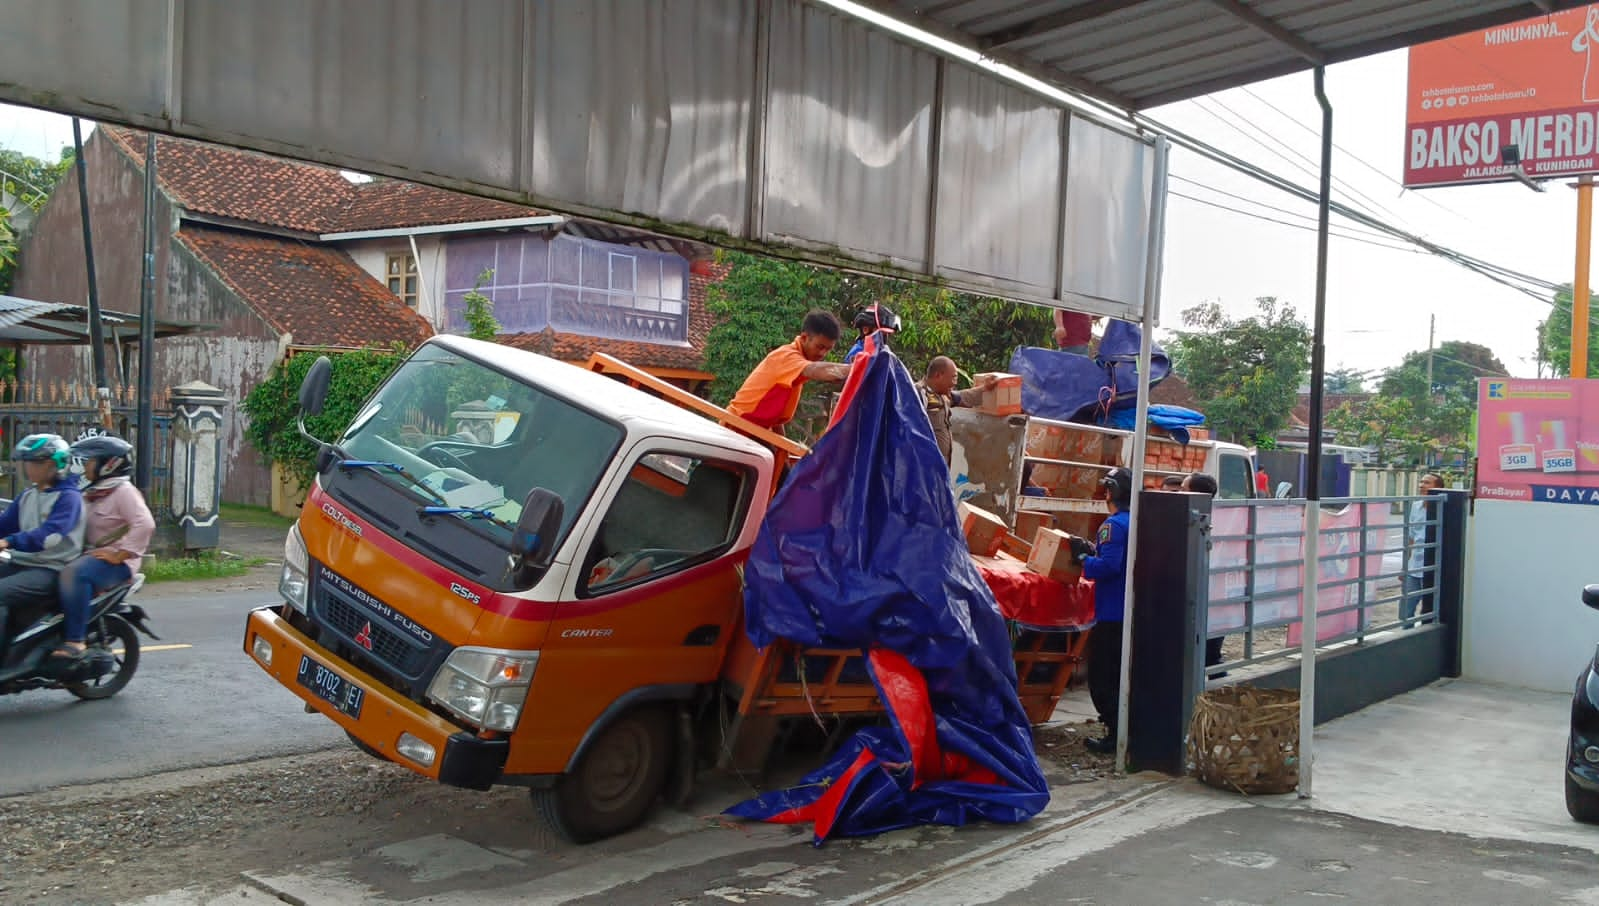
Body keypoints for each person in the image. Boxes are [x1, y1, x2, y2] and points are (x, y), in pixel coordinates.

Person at [55, 434, 155, 659]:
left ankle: (75, 640)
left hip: (117, 564)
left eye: (90, 461)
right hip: (90, 555)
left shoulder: (123, 491)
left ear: (108, 465)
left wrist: (120, 555)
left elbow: (145, 523)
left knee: (75, 574)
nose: (86, 467)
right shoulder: (94, 491)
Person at [0, 434, 85, 652]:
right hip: (22, 563)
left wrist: (8, 542)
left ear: (52, 464)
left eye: (34, 462)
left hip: (50, 568)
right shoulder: (29, 494)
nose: (28, 468)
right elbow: (6, 523)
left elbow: (49, 537)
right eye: (27, 462)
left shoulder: (69, 498)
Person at [1078, 466, 1132, 755]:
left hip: (1111, 612)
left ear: (1111, 492)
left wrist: (1083, 559)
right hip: (1132, 610)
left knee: (1102, 678)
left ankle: (1114, 733)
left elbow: (1108, 566)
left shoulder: (1112, 526)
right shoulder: (1139, 521)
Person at [727, 311, 852, 432]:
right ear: (804, 338)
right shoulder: (787, 356)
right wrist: (857, 367)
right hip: (737, 428)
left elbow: (774, 416)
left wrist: (782, 449)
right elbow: (815, 369)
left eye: (828, 349)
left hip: (755, 430)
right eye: (820, 347)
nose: (822, 354)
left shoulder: (797, 366)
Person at [915, 357, 997, 465]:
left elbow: (964, 397)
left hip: (940, 465)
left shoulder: (943, 395)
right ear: (938, 375)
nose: (954, 383)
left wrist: (985, 388)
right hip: (924, 465)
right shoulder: (918, 393)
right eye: (953, 378)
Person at [1181, 471, 1224, 674]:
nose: (1179, 493)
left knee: (1209, 655)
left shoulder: (1205, 522)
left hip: (1208, 598)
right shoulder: (1205, 520)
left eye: (1183, 489)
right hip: (1208, 599)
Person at [1402, 473, 1444, 629]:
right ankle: (1406, 638)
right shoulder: (1416, 506)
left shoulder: (1442, 508)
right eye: (1421, 482)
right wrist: (1404, 566)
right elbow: (1411, 538)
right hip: (1414, 566)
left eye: (1427, 482)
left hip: (1432, 566)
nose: (1422, 485)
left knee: (1428, 609)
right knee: (1406, 609)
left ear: (1438, 487)